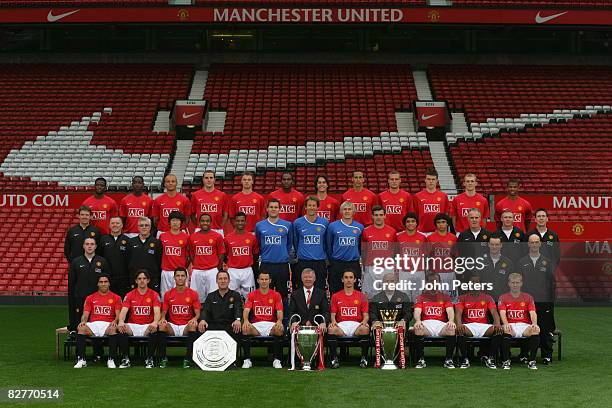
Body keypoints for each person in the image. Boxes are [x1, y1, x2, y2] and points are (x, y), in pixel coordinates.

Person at [517, 234, 555, 364]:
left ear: (540, 244)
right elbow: (518, 283)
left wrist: (550, 301)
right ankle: (524, 354)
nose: (534, 244)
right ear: (528, 244)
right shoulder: (521, 262)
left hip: (544, 302)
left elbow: (551, 283)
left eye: (536, 242)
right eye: (531, 242)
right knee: (525, 327)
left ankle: (547, 355)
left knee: (545, 328)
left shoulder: (547, 261)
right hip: (526, 302)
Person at [73, 275, 122, 369]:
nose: (103, 284)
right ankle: (81, 359)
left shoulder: (116, 297)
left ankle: (111, 359)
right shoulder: (90, 298)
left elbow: (118, 315)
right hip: (94, 324)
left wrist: (115, 321)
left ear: (109, 283)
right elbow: (85, 314)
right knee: (81, 328)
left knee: (113, 329)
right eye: (101, 282)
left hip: (108, 324)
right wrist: (83, 321)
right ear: (97, 284)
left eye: (105, 281)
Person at [455, 274, 502, 369]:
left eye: (477, 282)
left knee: (498, 330)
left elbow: (494, 312)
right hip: (469, 326)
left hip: (484, 326)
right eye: (472, 282)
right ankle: (465, 359)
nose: (475, 284)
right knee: (460, 330)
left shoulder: (488, 298)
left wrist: (497, 323)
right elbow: (458, 312)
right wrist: (459, 324)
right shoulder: (462, 298)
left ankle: (491, 358)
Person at [117, 270, 162, 369]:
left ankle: (150, 359)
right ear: (136, 281)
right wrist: (120, 321)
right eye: (139, 279)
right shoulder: (129, 295)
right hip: (133, 325)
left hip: (148, 325)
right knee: (122, 328)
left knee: (155, 329)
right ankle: (126, 359)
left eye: (144, 278)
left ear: (148, 280)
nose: (142, 281)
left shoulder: (154, 295)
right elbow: (123, 311)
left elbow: (157, 312)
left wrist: (155, 322)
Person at [158, 267, 201, 368]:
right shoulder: (168, 294)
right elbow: (164, 312)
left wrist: (195, 319)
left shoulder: (193, 293)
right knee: (162, 326)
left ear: (186, 277)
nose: (180, 278)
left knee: (193, 325)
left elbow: (198, 313)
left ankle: (187, 359)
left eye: (182, 276)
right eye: (178, 276)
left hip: (186, 325)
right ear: (174, 278)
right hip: (173, 326)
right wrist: (163, 318)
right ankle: (163, 358)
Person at [412, 272, 456, 369]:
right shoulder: (421, 297)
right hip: (426, 324)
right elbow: (417, 311)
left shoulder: (445, 297)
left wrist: (451, 320)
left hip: (441, 325)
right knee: (418, 328)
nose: (433, 283)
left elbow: (450, 311)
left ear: (439, 282)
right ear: (427, 282)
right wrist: (418, 320)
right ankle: (421, 359)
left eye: (436, 281)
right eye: (431, 281)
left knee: (451, 329)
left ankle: (449, 359)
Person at [241, 272, 285, 369]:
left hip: (271, 325)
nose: (264, 281)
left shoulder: (276, 295)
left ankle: (277, 360)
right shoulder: (252, 295)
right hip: (256, 325)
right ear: (258, 281)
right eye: (262, 279)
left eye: (266, 279)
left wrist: (279, 321)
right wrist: (246, 320)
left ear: (270, 281)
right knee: (245, 329)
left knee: (279, 330)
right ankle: (247, 360)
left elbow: (279, 311)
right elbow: (246, 310)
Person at [328, 270, 370, 368]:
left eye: (351, 277)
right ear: (342, 280)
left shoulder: (362, 296)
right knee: (331, 329)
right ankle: (334, 359)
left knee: (365, 329)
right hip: (341, 325)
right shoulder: (335, 296)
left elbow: (366, 315)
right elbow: (333, 314)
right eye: (346, 277)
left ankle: (364, 358)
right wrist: (333, 322)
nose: (348, 280)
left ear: (355, 280)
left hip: (356, 325)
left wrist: (364, 322)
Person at [498, 273, 540, 370]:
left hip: (524, 325)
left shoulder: (528, 297)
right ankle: (506, 361)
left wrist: (534, 324)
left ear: (521, 283)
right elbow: (502, 313)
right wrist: (506, 323)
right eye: (513, 283)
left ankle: (531, 361)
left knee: (535, 330)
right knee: (506, 329)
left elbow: (533, 313)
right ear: (509, 283)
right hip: (511, 325)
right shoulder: (503, 297)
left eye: (517, 282)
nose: (515, 285)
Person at [68, 237, 110, 332]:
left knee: (97, 325)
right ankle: (79, 343)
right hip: (81, 298)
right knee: (80, 325)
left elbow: (107, 281)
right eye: (87, 244)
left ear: (95, 246)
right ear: (83, 246)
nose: (89, 246)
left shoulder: (102, 261)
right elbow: (72, 283)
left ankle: (98, 345)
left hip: (98, 300)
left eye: (92, 244)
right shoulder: (76, 262)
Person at [255, 199, 293, 298]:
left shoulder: (287, 225)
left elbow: (289, 244)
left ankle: (283, 313)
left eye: (276, 207)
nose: (273, 209)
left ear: (280, 209)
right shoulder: (259, 225)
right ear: (267, 209)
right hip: (266, 265)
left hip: (282, 265)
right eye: (271, 207)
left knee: (283, 294)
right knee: (265, 294)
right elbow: (258, 243)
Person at [326, 202, 364, 294]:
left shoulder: (359, 227)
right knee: (335, 289)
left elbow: (360, 246)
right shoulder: (332, 226)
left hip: (353, 263)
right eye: (345, 209)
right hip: (337, 264)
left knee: (355, 290)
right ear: (341, 211)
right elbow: (328, 245)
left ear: (354, 212)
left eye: (349, 209)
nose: (347, 211)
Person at [293, 197, 329, 290]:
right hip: (303, 261)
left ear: (317, 207)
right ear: (305, 207)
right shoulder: (298, 222)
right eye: (309, 205)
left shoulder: (324, 222)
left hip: (319, 261)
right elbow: (296, 241)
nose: (311, 207)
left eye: (314, 205)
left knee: (319, 289)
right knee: (302, 289)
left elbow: (326, 242)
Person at [189, 213, 225, 302]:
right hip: (197, 271)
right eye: (203, 221)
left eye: (207, 221)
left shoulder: (217, 236)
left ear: (211, 222)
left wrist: (216, 267)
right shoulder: (192, 237)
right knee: (197, 299)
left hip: (212, 271)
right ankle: (199, 316)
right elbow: (191, 254)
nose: (205, 223)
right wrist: (197, 264)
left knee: (213, 298)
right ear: (199, 222)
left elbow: (221, 254)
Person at [361, 205, 397, 296]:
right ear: (372, 216)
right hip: (371, 268)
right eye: (376, 215)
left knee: (388, 294)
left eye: (381, 215)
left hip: (387, 268)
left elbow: (395, 251)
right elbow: (364, 251)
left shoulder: (392, 231)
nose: (378, 217)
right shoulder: (366, 231)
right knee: (369, 295)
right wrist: (365, 266)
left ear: (385, 216)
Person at [223, 212, 258, 298]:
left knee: (250, 296)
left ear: (246, 222)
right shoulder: (227, 238)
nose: (240, 223)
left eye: (242, 221)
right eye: (238, 221)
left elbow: (255, 254)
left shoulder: (252, 237)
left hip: (247, 271)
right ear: (234, 222)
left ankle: (249, 312)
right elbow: (224, 255)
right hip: (232, 271)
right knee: (232, 296)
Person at [396, 212, 428, 302]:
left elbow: (426, 255)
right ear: (405, 223)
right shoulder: (398, 237)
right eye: (408, 221)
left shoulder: (423, 237)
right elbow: (396, 253)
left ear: (417, 223)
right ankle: (406, 315)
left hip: (418, 271)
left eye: (413, 221)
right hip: (404, 272)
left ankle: (417, 315)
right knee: (404, 296)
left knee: (417, 297)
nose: (410, 223)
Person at [199, 270, 244, 336]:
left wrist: (238, 320)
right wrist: (203, 319)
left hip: (230, 325)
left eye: (225, 279)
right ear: (216, 281)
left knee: (237, 327)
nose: (223, 281)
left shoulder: (235, 295)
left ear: (229, 281)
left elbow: (238, 309)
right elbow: (205, 310)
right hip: (214, 326)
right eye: (220, 279)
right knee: (202, 326)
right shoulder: (211, 296)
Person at [127, 217, 162, 293]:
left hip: (152, 278)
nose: (144, 227)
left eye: (146, 225)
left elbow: (159, 261)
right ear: (138, 227)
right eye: (141, 225)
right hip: (135, 278)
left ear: (150, 227)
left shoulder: (157, 242)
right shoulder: (131, 242)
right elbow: (127, 260)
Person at [159, 211, 190, 297]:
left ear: (181, 223)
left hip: (180, 272)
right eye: (173, 220)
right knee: (165, 297)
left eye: (177, 220)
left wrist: (183, 267)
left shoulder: (186, 237)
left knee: (182, 296)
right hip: (166, 272)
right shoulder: (162, 236)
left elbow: (189, 256)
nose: (175, 222)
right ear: (169, 222)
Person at [98, 217, 131, 298]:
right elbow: (99, 258)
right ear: (109, 225)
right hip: (107, 279)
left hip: (123, 279)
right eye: (113, 223)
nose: (115, 225)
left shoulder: (128, 240)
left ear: (122, 225)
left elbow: (130, 260)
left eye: (117, 223)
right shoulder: (103, 239)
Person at [190, 170, 229, 235]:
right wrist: (198, 225)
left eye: (211, 178)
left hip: (217, 230)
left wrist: (220, 226)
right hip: (200, 229)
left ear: (214, 180)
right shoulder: (195, 195)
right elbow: (192, 214)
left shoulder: (222, 195)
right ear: (203, 180)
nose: (209, 180)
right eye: (206, 178)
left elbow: (225, 214)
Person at [456, 208, 492, 279]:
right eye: (472, 218)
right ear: (468, 219)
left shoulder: (489, 234)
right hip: (467, 271)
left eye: (476, 217)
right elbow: (459, 256)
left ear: (480, 219)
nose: (474, 220)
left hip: (485, 270)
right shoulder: (462, 235)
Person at [413, 167, 450, 235]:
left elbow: (445, 214)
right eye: (429, 179)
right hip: (421, 232)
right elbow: (416, 214)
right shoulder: (417, 196)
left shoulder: (443, 196)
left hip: (438, 232)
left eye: (433, 179)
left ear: (437, 181)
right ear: (425, 180)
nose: (431, 181)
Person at [427, 213, 458, 291]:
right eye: (438, 222)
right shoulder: (430, 238)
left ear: (447, 223)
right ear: (435, 224)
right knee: (436, 297)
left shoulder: (453, 238)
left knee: (450, 298)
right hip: (435, 273)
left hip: (450, 272)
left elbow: (456, 257)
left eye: (443, 222)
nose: (441, 224)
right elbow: (427, 257)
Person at [480, 235, 514, 300]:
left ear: (501, 245)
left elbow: (511, 283)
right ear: (488, 245)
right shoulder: (480, 261)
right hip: (484, 300)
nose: (494, 247)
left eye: (497, 244)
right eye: (492, 244)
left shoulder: (508, 263)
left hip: (502, 299)